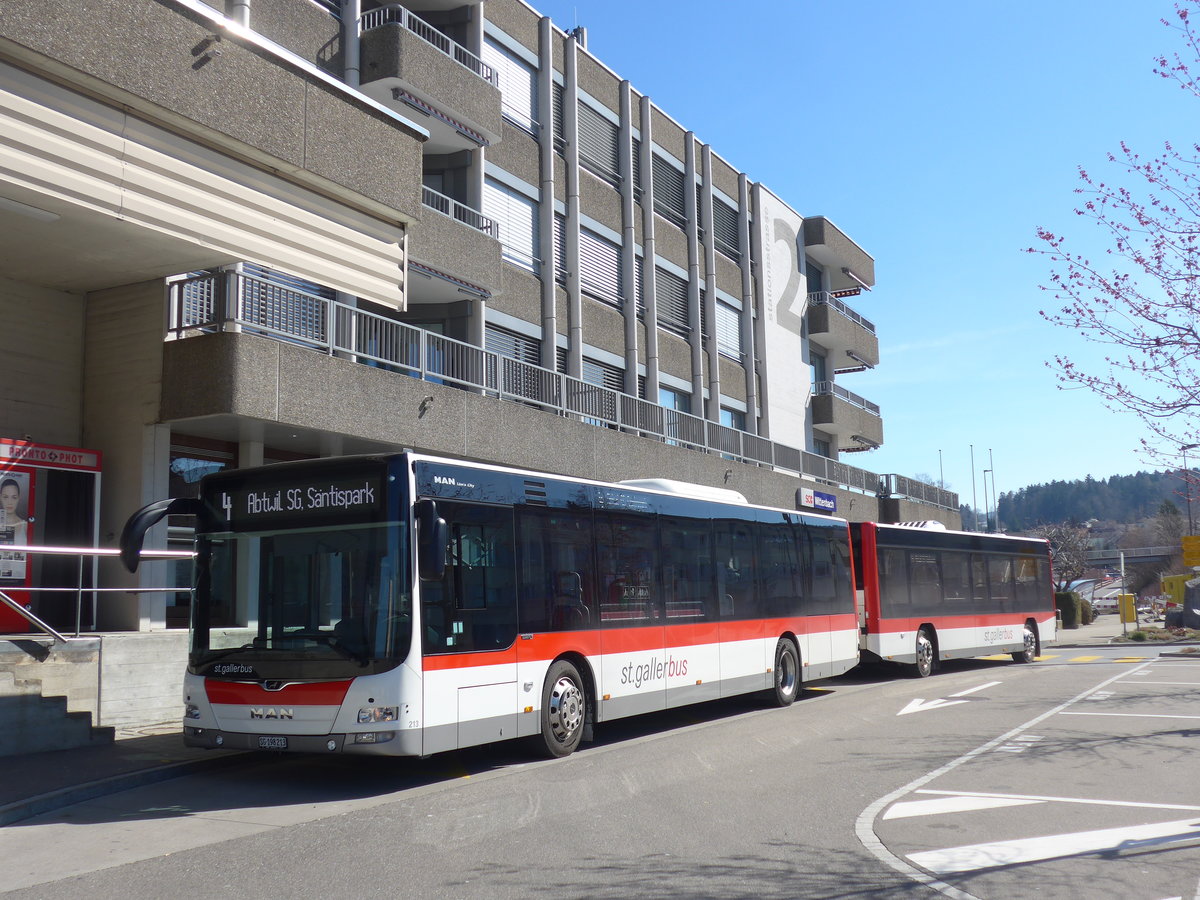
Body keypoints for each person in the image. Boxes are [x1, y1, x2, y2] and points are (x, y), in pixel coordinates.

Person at [0, 477, 28, 545]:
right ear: (0, 497)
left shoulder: (25, 526)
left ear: (18, 498)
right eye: (6, 497)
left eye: (14, 497)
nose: (10, 502)